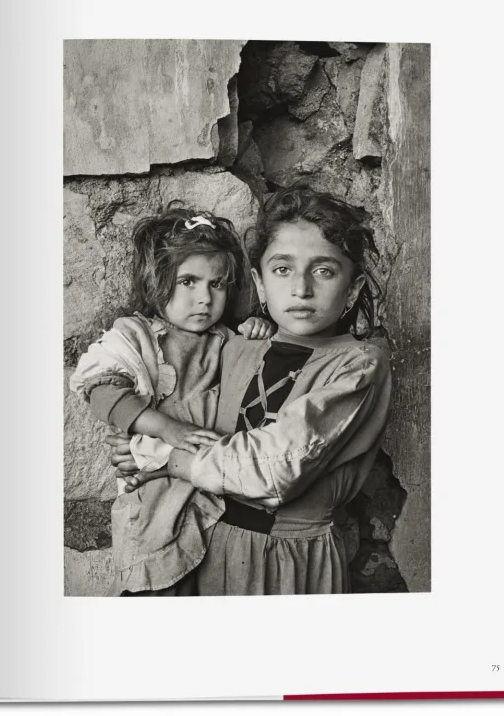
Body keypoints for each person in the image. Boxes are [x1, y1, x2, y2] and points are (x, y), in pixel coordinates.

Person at [113, 186, 393, 595]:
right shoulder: (235, 348)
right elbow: (186, 414)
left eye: (324, 271)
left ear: (351, 290)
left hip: (294, 559)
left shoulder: (359, 365)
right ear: (260, 284)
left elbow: (275, 467)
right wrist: (137, 439)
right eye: (283, 270)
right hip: (212, 549)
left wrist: (162, 459)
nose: (301, 289)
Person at [69, 204, 272, 596]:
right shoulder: (136, 336)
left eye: (217, 284)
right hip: (153, 497)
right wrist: (168, 428)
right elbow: (101, 390)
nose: (204, 299)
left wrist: (256, 329)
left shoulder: (225, 339)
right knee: (157, 586)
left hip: (209, 490)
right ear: (156, 282)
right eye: (188, 282)